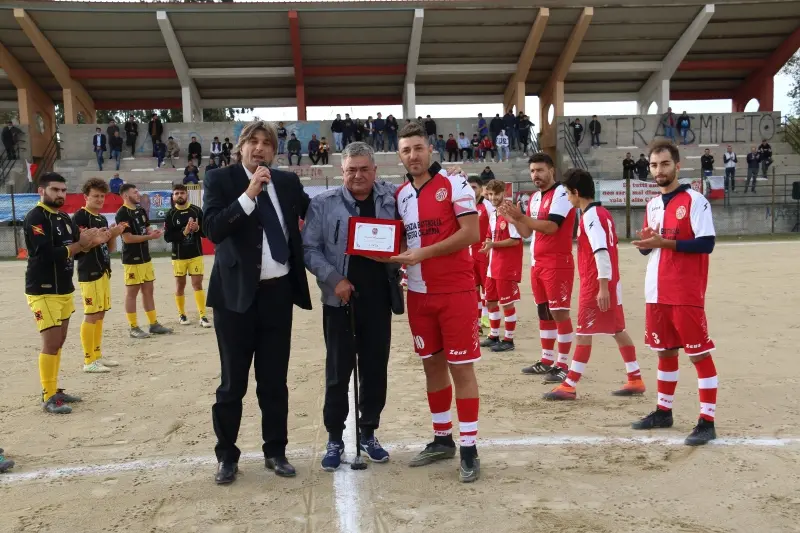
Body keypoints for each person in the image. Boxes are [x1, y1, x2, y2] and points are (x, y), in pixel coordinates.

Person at [202, 120, 311, 485]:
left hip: (278, 294)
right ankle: (226, 456)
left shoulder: (287, 183)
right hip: (235, 297)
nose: (260, 148)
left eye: (267, 143)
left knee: (274, 381)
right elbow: (213, 229)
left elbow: (315, 211)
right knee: (232, 383)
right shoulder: (220, 179)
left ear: (274, 151)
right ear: (241, 146)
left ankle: (275, 451)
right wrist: (249, 194)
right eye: (253, 141)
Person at [390, 121, 482, 483]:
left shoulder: (455, 184)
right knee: (432, 366)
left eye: (418, 148)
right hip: (418, 294)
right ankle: (443, 438)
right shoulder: (401, 195)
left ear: (430, 149)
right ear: (400, 156)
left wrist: (422, 253)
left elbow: (471, 233)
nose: (413, 155)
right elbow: (400, 242)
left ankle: (470, 447)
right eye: (406, 150)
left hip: (456, 292)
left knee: (461, 369)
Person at [302, 141, 400, 471]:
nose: (358, 175)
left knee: (375, 370)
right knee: (338, 371)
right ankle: (334, 437)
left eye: (364, 169)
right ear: (341, 171)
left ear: (375, 170)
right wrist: (335, 279)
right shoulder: (323, 203)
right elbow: (310, 249)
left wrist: (449, 175)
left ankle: (368, 431)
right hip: (339, 299)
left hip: (379, 299)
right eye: (351, 170)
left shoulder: (392, 197)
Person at [630, 140, 718, 446]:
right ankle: (663, 411)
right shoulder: (652, 205)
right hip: (656, 290)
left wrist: (664, 243)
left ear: (677, 166)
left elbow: (706, 243)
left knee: (698, 353)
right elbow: (650, 249)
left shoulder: (696, 200)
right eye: (654, 165)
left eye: (665, 164)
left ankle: (707, 421)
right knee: (665, 351)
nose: (659, 170)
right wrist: (646, 243)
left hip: (684, 290)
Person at [543, 169, 645, 400]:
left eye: (568, 193)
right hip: (609, 281)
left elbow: (601, 251)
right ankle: (635, 378)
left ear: (576, 192)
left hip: (597, 283)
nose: (568, 198)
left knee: (583, 333)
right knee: (617, 330)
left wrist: (602, 286)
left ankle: (569, 384)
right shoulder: (602, 213)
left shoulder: (591, 216)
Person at [24, 173, 108, 414]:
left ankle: (53, 390)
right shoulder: (36, 217)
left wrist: (92, 242)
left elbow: (76, 252)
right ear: (42, 191)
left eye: (63, 190)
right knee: (51, 342)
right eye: (55, 189)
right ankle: (48, 395)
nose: (60, 194)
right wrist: (79, 244)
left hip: (63, 288)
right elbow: (45, 254)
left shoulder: (63, 218)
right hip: (43, 289)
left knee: (58, 341)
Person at [498, 153, 576, 383]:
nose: (536, 175)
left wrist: (521, 217)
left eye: (540, 170)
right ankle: (547, 359)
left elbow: (552, 227)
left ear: (552, 170)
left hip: (557, 262)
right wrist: (514, 219)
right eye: (532, 171)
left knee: (559, 312)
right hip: (537, 263)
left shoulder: (562, 193)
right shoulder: (533, 198)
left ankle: (563, 364)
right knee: (544, 312)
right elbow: (527, 233)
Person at [73, 178, 126, 374]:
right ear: (85, 197)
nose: (99, 199)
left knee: (100, 312)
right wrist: (100, 238)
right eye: (95, 196)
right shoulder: (80, 217)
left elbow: (109, 249)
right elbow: (79, 247)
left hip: (103, 270)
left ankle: (97, 355)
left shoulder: (102, 219)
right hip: (89, 271)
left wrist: (114, 234)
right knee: (91, 313)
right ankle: (89, 360)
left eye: (102, 196)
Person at [115, 184, 173, 339]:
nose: (138, 194)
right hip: (132, 260)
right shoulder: (122, 213)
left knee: (148, 291)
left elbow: (147, 227)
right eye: (135, 192)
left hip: (145, 258)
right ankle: (133, 327)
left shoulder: (140, 210)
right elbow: (127, 238)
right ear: (125, 196)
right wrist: (149, 237)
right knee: (132, 293)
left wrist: (153, 232)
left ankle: (154, 324)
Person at [479, 179, 522, 353]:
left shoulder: (509, 212)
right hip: (493, 265)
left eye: (496, 194)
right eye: (490, 194)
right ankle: (494, 335)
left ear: (503, 193)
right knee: (490, 301)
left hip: (506, 266)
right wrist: (487, 243)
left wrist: (493, 245)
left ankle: (509, 340)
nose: (493, 197)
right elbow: (489, 235)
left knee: (507, 303)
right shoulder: (493, 213)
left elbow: (515, 240)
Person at [164, 183, 210, 328]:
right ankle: (182, 314)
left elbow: (206, 232)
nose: (179, 195)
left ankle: (203, 316)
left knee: (197, 284)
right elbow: (167, 237)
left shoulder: (196, 210)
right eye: (176, 193)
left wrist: (198, 228)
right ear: (173, 196)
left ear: (187, 194)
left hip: (195, 254)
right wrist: (183, 233)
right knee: (180, 285)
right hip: (178, 256)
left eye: (182, 193)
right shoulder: (170, 214)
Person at [467, 176, 491, 336]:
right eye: (469, 187)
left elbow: (494, 226)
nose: (471, 190)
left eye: (474, 187)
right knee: (473, 288)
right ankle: (477, 319)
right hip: (470, 252)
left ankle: (486, 317)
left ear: (481, 189)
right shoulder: (465, 206)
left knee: (486, 287)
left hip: (484, 251)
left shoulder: (487, 205)